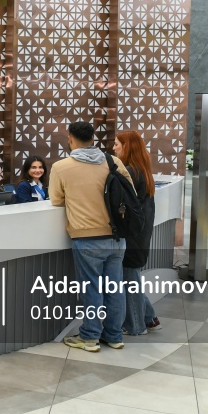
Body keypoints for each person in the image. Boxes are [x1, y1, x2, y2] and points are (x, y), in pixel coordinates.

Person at [49, 121, 135, 352]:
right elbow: (131, 193)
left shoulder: (61, 167)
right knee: (115, 287)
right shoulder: (112, 161)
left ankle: (89, 337)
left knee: (92, 289)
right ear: (93, 138)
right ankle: (114, 336)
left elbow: (56, 200)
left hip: (86, 237)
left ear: (70, 138)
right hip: (117, 236)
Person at [115, 131, 160, 335]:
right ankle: (149, 318)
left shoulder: (130, 172)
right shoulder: (142, 170)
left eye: (117, 144)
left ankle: (136, 326)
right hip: (140, 235)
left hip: (132, 237)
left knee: (129, 280)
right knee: (132, 279)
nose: (114, 148)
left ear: (126, 147)